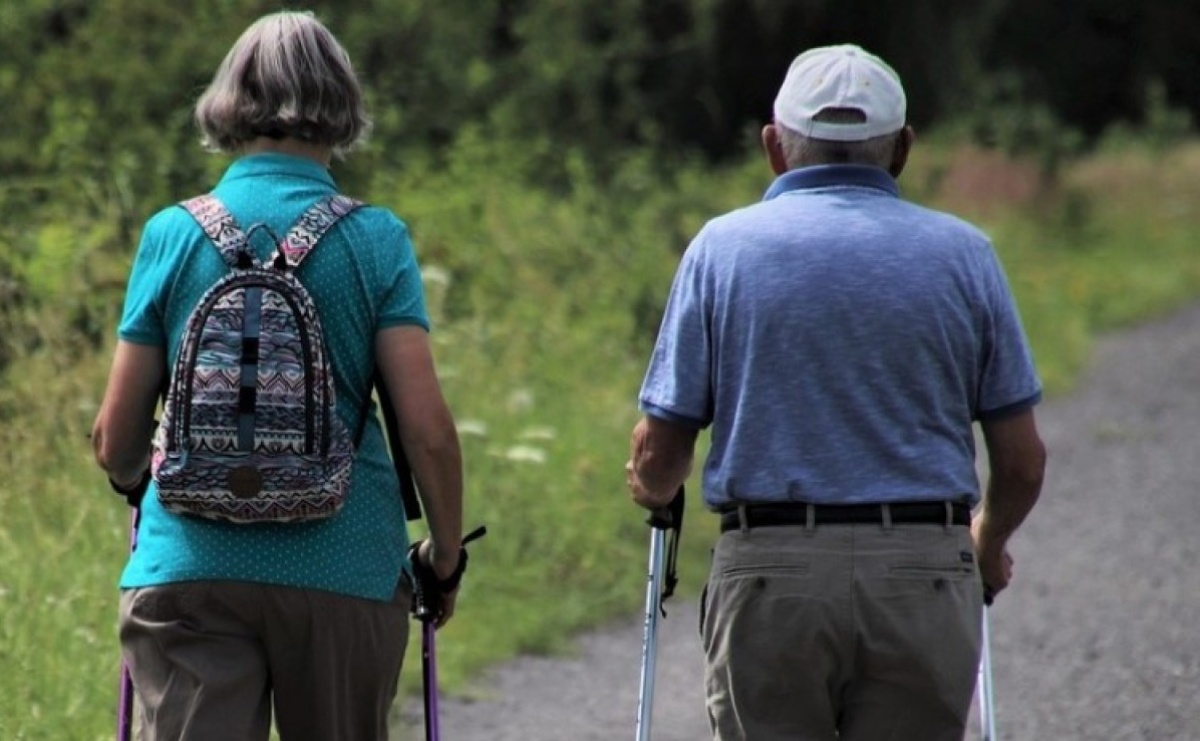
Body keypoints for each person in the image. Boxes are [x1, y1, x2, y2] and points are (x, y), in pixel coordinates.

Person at [625, 44, 1046, 740]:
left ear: (774, 147)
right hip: (922, 574)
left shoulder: (721, 250)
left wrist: (649, 481)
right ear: (903, 149)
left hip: (770, 576)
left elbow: (662, 453)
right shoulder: (966, 255)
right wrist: (987, 540)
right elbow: (1023, 462)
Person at [91, 11, 465, 740]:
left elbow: (116, 440)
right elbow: (428, 432)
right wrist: (443, 558)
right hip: (345, 564)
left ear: (229, 101)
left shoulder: (172, 233)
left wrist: (138, 480)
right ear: (341, 105)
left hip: (190, 568)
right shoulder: (375, 239)